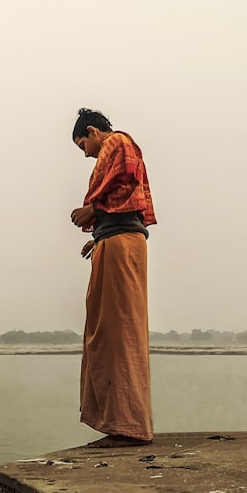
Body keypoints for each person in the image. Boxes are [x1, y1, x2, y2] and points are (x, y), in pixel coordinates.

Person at [69, 108, 157, 448]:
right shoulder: (113, 149)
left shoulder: (117, 142)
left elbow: (126, 179)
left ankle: (129, 427)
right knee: (108, 332)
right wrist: (99, 235)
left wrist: (95, 211)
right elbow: (124, 200)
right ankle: (121, 423)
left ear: (93, 131)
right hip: (115, 241)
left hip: (121, 244)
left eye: (83, 145)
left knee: (119, 332)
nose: (86, 153)